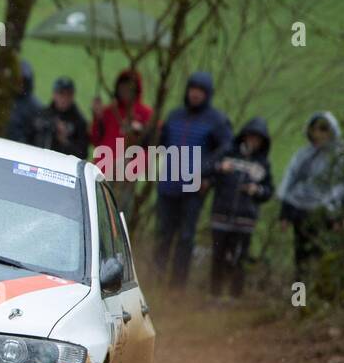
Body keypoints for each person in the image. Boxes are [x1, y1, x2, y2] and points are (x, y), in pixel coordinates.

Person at [153, 71, 232, 289]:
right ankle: (154, 282)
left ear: (207, 94)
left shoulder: (216, 121)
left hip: (194, 188)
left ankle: (177, 287)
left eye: (200, 91)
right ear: (187, 91)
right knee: (163, 234)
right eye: (192, 89)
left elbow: (226, 153)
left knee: (185, 238)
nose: (195, 95)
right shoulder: (174, 116)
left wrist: (209, 177)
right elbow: (160, 144)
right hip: (168, 185)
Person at [206, 117, 272, 298]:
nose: (253, 142)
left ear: (263, 142)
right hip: (221, 215)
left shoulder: (263, 164)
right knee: (218, 256)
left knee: (238, 259)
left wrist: (256, 190)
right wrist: (220, 167)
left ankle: (235, 296)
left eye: (257, 139)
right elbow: (205, 169)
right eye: (250, 137)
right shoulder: (228, 154)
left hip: (245, 219)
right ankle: (214, 295)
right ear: (243, 136)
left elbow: (269, 191)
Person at [278, 112, 344, 285]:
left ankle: (321, 301)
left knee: (325, 258)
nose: (318, 134)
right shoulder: (303, 155)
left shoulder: (340, 157)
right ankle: (298, 301)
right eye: (314, 129)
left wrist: (338, 216)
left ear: (332, 131)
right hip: (301, 212)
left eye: (323, 129)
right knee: (301, 260)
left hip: (327, 215)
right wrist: (285, 214)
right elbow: (290, 182)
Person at [90, 68, 153, 211]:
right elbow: (95, 139)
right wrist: (97, 118)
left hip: (126, 177)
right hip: (103, 172)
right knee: (98, 210)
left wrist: (135, 168)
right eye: (122, 87)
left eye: (129, 88)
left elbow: (150, 146)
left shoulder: (146, 115)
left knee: (119, 212)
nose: (125, 91)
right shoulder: (109, 112)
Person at [4, 60, 51, 148]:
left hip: (23, 152)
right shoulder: (5, 100)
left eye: (23, 81)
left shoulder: (36, 108)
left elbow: (41, 140)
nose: (19, 84)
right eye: (17, 80)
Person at [46, 77, 89, 160]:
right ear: (54, 94)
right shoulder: (43, 115)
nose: (65, 98)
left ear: (73, 96)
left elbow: (83, 154)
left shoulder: (80, 121)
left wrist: (64, 141)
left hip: (66, 167)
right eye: (61, 93)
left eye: (68, 94)